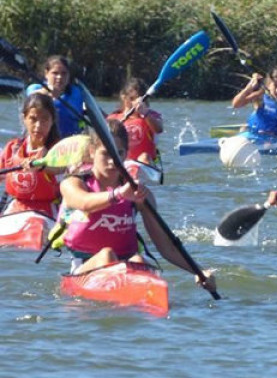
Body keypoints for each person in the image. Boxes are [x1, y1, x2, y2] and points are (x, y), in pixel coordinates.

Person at [56, 119, 215, 292]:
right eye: (106, 153)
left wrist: (199, 272)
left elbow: (166, 247)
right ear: (92, 151)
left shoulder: (139, 194)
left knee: (139, 260)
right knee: (107, 255)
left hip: (127, 266)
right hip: (85, 268)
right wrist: (118, 195)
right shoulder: (73, 183)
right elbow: (84, 203)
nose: (112, 161)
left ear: (126, 155)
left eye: (118, 153)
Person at [0, 93, 62, 216]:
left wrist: (43, 167)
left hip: (47, 211)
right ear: (25, 119)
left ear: (52, 121)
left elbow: (62, 171)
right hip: (15, 207)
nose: (38, 126)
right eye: (33, 119)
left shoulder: (59, 150)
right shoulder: (13, 148)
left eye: (45, 119)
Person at [25, 55, 87, 138]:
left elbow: (97, 113)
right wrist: (46, 91)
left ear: (69, 75)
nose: (59, 77)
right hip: (45, 142)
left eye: (64, 73)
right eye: (55, 73)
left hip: (72, 143)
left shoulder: (78, 92)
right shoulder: (34, 88)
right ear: (46, 73)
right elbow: (32, 98)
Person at [107, 78, 164, 165]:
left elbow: (159, 129)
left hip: (145, 165)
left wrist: (145, 114)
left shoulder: (151, 115)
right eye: (132, 98)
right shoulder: (114, 117)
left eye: (141, 99)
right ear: (124, 97)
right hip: (122, 164)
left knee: (144, 157)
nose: (137, 102)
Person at [232, 68, 277, 138]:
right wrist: (249, 87)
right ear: (268, 85)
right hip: (254, 132)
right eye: (275, 86)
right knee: (243, 129)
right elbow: (236, 104)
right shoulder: (260, 95)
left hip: (274, 138)